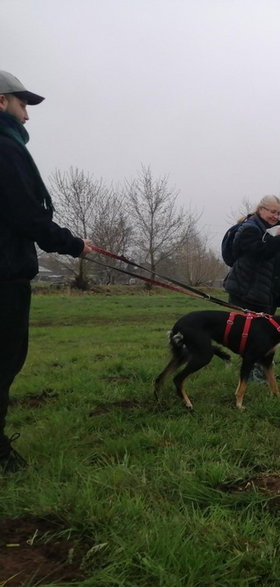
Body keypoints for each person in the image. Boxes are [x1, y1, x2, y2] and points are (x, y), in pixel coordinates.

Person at [0, 70, 93, 473]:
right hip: (4, 276)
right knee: (4, 361)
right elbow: (25, 214)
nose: (27, 116)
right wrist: (73, 244)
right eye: (22, 105)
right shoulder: (6, 149)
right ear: (1, 101)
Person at [223, 195, 280, 314]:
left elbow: (273, 255)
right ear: (261, 209)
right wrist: (279, 240)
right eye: (273, 212)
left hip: (267, 295)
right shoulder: (249, 228)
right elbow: (260, 254)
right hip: (247, 295)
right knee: (245, 331)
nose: (276, 216)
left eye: (279, 213)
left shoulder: (271, 229)